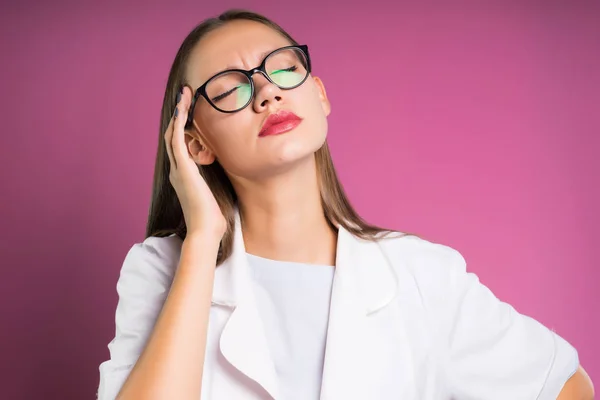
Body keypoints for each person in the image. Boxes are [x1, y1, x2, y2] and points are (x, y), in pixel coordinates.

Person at [97, 9, 594, 400]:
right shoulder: (161, 270)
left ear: (319, 94)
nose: (267, 92)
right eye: (232, 88)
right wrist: (203, 239)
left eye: (283, 69)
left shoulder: (420, 274)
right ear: (196, 144)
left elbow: (566, 388)